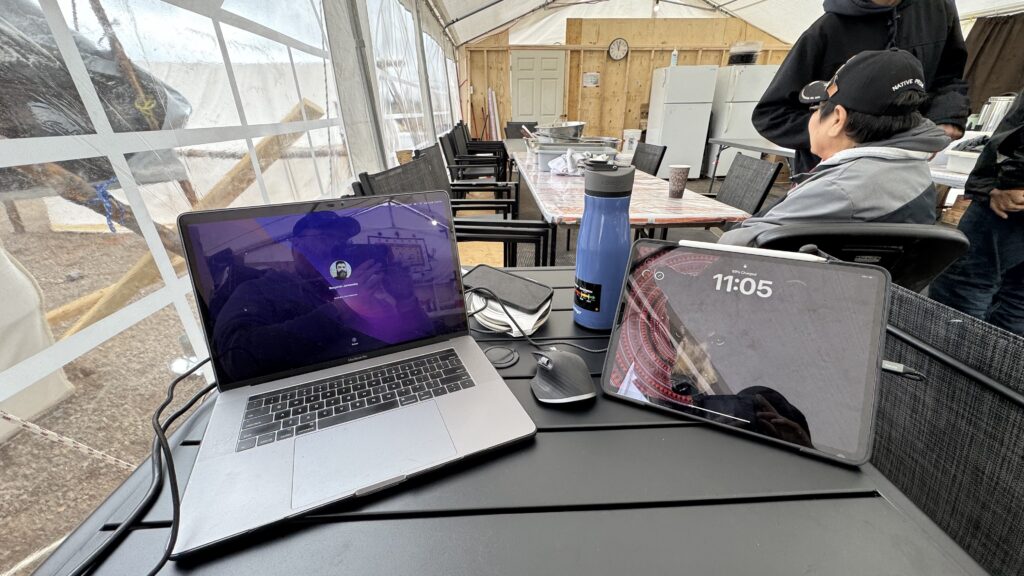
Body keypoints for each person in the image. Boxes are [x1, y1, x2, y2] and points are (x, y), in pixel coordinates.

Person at [719, 49, 949, 247]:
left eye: (818, 107)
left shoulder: (841, 187)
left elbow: (737, 244)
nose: (813, 117)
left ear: (837, 119)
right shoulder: (914, 169)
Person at [752, 0, 969, 176]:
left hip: (903, 171)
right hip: (831, 176)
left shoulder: (939, 11)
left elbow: (950, 77)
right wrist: (840, 134)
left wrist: (947, 115)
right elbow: (771, 116)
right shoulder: (827, 30)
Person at [928, 88, 1024, 335]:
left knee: (962, 289)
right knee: (1016, 299)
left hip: (1011, 197)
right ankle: (992, 369)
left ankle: (948, 368)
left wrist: (1009, 180)